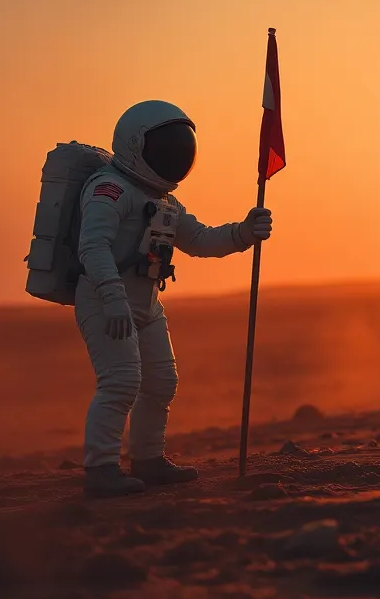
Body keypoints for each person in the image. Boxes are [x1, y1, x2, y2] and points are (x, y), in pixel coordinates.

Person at [76, 100, 272, 498]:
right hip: (105, 301)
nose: (175, 156)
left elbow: (198, 240)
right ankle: (100, 469)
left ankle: (148, 460)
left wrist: (243, 233)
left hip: (145, 302)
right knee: (120, 381)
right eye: (166, 148)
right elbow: (92, 246)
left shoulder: (164, 201)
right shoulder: (109, 190)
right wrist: (112, 298)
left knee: (161, 381)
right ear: (136, 145)